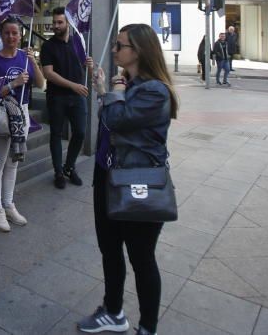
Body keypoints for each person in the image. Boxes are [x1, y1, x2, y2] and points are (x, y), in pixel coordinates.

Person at [78, 24, 177, 335]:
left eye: (120, 46)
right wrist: (106, 91)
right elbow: (111, 121)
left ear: (139, 51)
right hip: (108, 176)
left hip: (138, 182)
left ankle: (147, 326)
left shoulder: (154, 91)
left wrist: (112, 94)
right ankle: (113, 310)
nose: (114, 50)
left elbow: (117, 120)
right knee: (109, 249)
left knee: (141, 257)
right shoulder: (128, 84)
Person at [0, 17, 45, 231]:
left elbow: (41, 84)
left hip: (23, 114)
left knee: (13, 163)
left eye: (15, 33)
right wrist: (13, 84)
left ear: (21, 36)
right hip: (1, 116)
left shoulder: (25, 58)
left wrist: (34, 62)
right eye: (7, 33)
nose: (11, 37)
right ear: (1, 36)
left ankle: (9, 204)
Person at [41, 7, 90, 189]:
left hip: (77, 98)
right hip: (57, 97)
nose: (55, 26)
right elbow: (48, 74)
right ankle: (58, 172)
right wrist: (73, 85)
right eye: (54, 22)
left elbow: (86, 66)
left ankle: (69, 167)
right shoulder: (48, 46)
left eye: (59, 22)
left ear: (67, 23)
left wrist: (90, 65)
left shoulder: (78, 42)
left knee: (80, 132)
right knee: (56, 134)